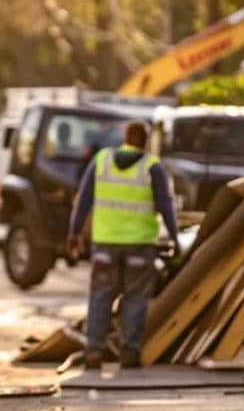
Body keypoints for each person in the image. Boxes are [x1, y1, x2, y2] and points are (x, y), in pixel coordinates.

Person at [67, 121, 178, 369]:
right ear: (146, 141)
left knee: (100, 297)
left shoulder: (102, 161)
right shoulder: (152, 167)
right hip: (140, 245)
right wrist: (174, 237)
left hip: (105, 243)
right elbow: (166, 206)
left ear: (125, 137)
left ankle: (93, 351)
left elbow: (83, 200)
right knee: (135, 300)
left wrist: (74, 233)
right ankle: (129, 353)